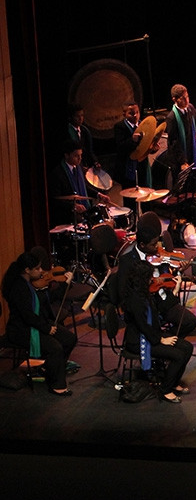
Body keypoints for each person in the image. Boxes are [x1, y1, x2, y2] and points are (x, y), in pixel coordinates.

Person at [2, 251, 77, 396]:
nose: (41, 271)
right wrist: (47, 328)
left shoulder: (30, 283)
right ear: (27, 270)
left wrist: (65, 285)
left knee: (69, 339)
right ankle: (57, 385)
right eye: (37, 269)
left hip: (36, 322)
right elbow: (27, 316)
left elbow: (48, 299)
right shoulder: (19, 288)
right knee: (55, 348)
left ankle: (49, 368)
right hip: (21, 329)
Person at [119, 259, 193, 403]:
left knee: (187, 347)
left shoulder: (145, 293)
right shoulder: (134, 300)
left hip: (151, 334)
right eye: (149, 277)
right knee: (178, 355)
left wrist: (175, 290)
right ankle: (166, 389)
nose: (153, 279)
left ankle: (173, 382)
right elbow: (142, 326)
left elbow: (162, 308)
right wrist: (160, 340)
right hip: (139, 340)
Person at [116, 213, 196, 339]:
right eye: (153, 245)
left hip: (164, 301)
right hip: (146, 306)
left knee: (190, 322)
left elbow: (166, 279)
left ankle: (166, 339)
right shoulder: (127, 261)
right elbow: (123, 293)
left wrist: (178, 271)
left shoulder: (158, 255)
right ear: (142, 245)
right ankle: (159, 340)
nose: (157, 247)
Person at [48, 139, 109, 227]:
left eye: (81, 155)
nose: (80, 158)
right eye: (76, 156)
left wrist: (99, 194)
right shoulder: (57, 174)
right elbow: (55, 199)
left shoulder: (78, 167)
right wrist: (73, 206)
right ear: (67, 155)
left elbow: (85, 186)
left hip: (83, 213)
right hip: (67, 218)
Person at [114, 100, 154, 196]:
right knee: (130, 196)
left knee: (145, 194)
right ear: (124, 114)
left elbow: (146, 147)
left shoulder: (144, 125)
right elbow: (120, 147)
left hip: (142, 167)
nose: (135, 115)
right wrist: (132, 140)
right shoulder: (120, 127)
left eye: (137, 112)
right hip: (128, 169)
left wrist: (153, 148)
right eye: (131, 113)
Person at [65, 103, 97, 167]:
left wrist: (95, 162)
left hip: (85, 164)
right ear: (70, 117)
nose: (80, 118)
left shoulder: (85, 131)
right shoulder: (67, 132)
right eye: (77, 116)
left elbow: (89, 150)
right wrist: (80, 167)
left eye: (82, 115)